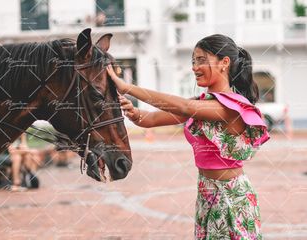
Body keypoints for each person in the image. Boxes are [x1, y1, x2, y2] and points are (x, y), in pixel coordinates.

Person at [107, 34, 270, 239]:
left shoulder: (231, 106)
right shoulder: (201, 104)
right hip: (206, 193)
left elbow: (184, 107)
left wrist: (128, 87)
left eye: (201, 60)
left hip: (231, 197)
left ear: (224, 63)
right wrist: (134, 112)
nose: (194, 67)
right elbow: (149, 120)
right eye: (193, 61)